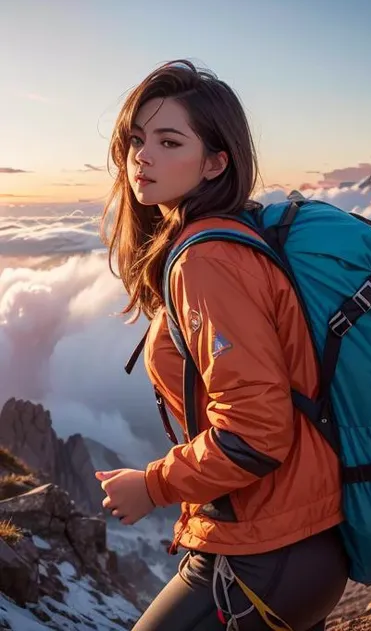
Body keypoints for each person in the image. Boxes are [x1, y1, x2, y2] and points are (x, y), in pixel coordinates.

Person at [97, 60, 349, 631]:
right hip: (292, 538)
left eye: (168, 140)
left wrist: (152, 485)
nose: (142, 155)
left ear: (216, 162)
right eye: (137, 139)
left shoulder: (207, 260)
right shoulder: (226, 238)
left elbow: (257, 431)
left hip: (269, 550)